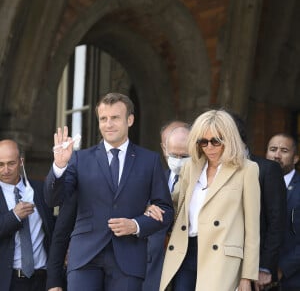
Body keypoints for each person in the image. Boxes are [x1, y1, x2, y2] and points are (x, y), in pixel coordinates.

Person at [43, 92, 174, 291]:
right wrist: (59, 166)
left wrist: (136, 225)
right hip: (85, 257)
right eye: (103, 119)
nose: (108, 124)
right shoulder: (80, 159)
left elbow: (166, 210)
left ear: (129, 120)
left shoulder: (150, 161)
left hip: (129, 258)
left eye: (115, 118)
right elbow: (53, 199)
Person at [158, 109, 260, 291]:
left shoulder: (247, 169)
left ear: (228, 139)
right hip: (186, 251)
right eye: (203, 142)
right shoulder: (191, 166)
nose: (209, 147)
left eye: (216, 141)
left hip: (221, 258)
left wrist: (247, 276)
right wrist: (150, 205)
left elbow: (252, 229)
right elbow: (173, 202)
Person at [231, 114, 286, 291]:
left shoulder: (267, 169)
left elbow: (276, 222)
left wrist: (265, 266)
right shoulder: (211, 171)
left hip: (254, 266)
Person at [0, 139, 54, 291]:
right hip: (8, 281)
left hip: (43, 279)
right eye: (0, 164)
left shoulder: (39, 189)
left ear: (21, 161)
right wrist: (14, 216)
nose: (5, 170)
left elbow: (54, 228)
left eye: (11, 163)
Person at [142, 125, 190, 291]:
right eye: (173, 155)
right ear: (165, 149)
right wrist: (145, 208)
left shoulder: (204, 182)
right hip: (154, 262)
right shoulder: (153, 177)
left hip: (187, 263)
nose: (177, 160)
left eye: (184, 156)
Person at [266, 133, 300, 291]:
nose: (276, 155)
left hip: (292, 279)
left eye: (284, 150)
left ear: (296, 158)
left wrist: (282, 269)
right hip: (256, 277)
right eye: (273, 149)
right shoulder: (254, 183)